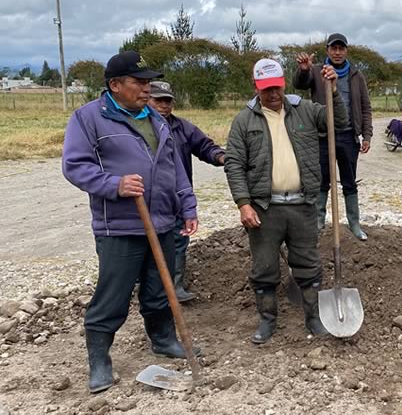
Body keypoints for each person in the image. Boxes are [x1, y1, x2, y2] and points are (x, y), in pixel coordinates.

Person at [62, 51, 200, 393]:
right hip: (120, 226)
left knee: (159, 290)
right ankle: (99, 360)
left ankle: (164, 338)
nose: (146, 89)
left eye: (148, 83)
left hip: (163, 222)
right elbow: (74, 165)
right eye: (139, 83)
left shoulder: (156, 118)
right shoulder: (89, 118)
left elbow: (174, 167)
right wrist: (115, 184)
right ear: (114, 85)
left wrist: (188, 205)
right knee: (113, 295)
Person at [224, 58, 347, 343]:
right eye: (266, 89)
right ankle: (268, 321)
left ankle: (314, 319)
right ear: (256, 88)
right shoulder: (244, 120)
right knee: (264, 267)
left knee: (307, 263)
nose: (273, 94)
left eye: (277, 87)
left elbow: (337, 122)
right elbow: (233, 163)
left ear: (284, 84)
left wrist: (334, 91)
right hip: (264, 208)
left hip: (303, 205)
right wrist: (243, 203)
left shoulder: (304, 110)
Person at [148, 81, 225, 302]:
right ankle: (148, 286)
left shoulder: (181, 128)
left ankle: (175, 286)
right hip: (150, 199)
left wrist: (221, 157)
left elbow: (204, 146)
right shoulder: (138, 127)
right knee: (148, 244)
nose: (164, 105)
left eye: (167, 101)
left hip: (178, 197)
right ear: (147, 100)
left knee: (178, 242)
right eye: (158, 100)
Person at [293, 33, 373, 240]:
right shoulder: (317, 71)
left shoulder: (356, 75)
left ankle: (354, 223)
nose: (337, 52)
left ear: (346, 51)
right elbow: (300, 84)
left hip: (348, 136)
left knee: (349, 181)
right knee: (322, 181)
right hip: (322, 135)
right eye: (333, 48)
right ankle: (319, 221)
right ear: (327, 50)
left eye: (341, 48)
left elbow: (366, 107)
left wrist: (367, 135)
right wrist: (303, 70)